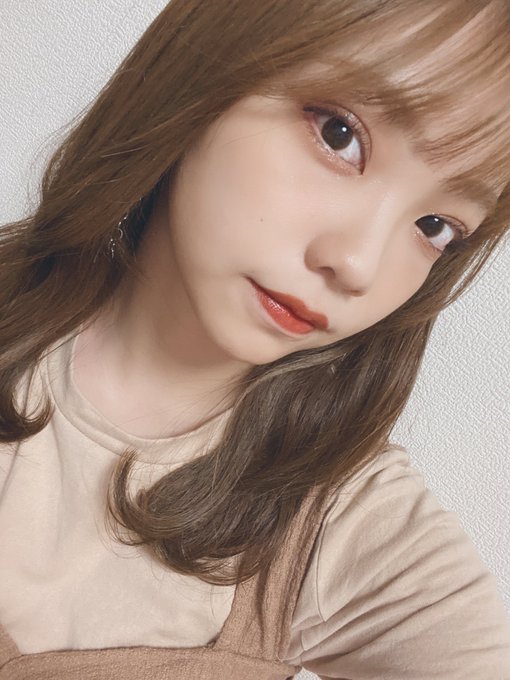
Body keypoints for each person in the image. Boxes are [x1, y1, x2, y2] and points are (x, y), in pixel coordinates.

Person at [1, 0, 510, 678]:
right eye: (340, 136)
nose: (358, 264)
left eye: (435, 227)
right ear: (207, 72)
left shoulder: (347, 523)